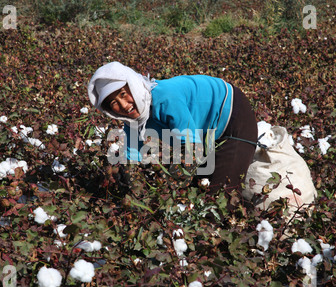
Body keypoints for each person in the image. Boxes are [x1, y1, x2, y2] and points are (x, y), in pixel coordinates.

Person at [88, 61, 258, 196]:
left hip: (234, 117)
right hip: (205, 134)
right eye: (114, 103)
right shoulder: (133, 122)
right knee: (198, 191)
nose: (124, 106)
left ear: (133, 85)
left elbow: (191, 148)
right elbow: (132, 161)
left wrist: (165, 191)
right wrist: (135, 194)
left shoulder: (165, 98)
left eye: (124, 94)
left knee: (220, 196)